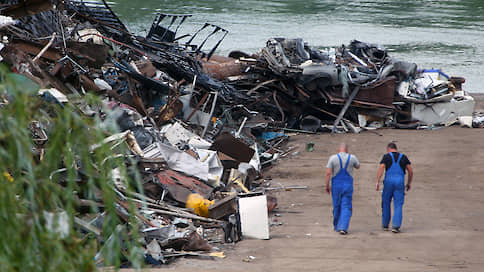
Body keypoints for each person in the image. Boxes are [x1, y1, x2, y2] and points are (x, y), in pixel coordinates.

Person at [376, 142, 413, 233]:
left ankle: (385, 225)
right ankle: (395, 226)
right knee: (398, 205)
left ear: (388, 149)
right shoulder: (403, 157)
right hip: (400, 182)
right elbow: (410, 171)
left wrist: (377, 181)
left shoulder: (386, 157)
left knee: (386, 203)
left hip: (388, 182)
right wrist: (408, 183)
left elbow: (381, 168)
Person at [325, 143, 360, 235]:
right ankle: (343, 227)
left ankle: (336, 226)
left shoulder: (332, 158)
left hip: (336, 185)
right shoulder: (352, 157)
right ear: (347, 149)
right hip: (347, 185)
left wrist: (327, 185)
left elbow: (328, 173)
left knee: (336, 205)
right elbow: (358, 166)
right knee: (346, 206)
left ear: (338, 149)